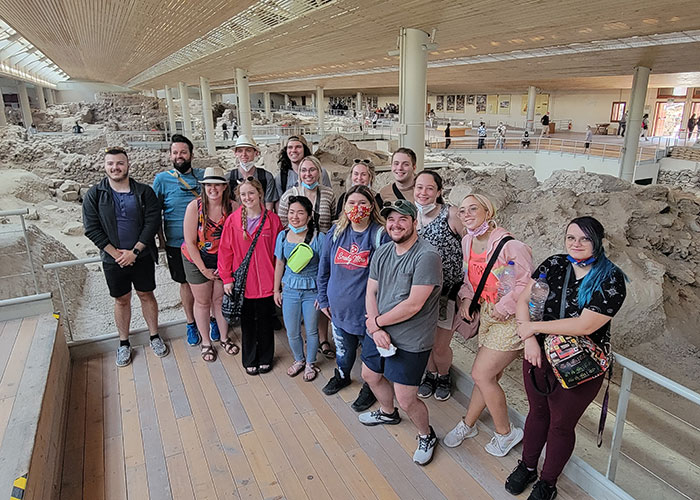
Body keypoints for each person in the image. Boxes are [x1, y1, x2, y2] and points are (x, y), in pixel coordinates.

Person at [505, 216, 627, 500]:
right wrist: (529, 341)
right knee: (537, 413)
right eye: (571, 238)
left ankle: (548, 481)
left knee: (561, 423)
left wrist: (534, 328)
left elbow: (585, 326)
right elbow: (524, 300)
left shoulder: (610, 277)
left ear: (599, 242)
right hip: (537, 355)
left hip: (579, 365)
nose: (577, 244)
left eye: (585, 239)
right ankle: (528, 465)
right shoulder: (555, 264)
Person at [444, 194, 533, 457]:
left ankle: (506, 433)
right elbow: (470, 279)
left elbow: (523, 284)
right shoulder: (468, 241)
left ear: (488, 211)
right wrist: (466, 299)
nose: (467, 214)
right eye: (462, 211)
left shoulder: (510, 246)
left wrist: (504, 308)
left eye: (474, 209)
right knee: (489, 377)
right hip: (487, 314)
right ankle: (468, 424)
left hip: (511, 318)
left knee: (481, 375)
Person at [360, 199, 443, 466]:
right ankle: (386, 412)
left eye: (402, 219)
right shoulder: (383, 251)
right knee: (370, 375)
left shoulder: (426, 256)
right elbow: (371, 290)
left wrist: (376, 324)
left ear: (415, 223)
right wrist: (374, 325)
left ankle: (426, 434)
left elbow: (413, 305)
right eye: (391, 220)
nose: (395, 225)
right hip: (379, 328)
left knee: (407, 398)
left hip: (410, 337)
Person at [82, 147, 166, 367]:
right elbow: (92, 228)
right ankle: (123, 343)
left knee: (146, 294)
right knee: (121, 299)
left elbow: (152, 222)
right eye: (111, 163)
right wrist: (118, 255)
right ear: (105, 166)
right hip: (114, 259)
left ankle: (155, 336)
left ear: (128, 165)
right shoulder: (95, 194)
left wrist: (135, 251)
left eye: (119, 163)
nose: (115, 167)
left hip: (142, 256)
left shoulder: (144, 192)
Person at [317, 185, 388, 411]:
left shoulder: (380, 235)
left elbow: (387, 276)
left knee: (370, 355)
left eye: (362, 203)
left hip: (368, 313)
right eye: (352, 203)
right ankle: (342, 374)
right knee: (343, 351)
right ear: (344, 207)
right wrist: (324, 299)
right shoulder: (335, 233)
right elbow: (324, 269)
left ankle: (370, 386)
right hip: (338, 310)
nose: (357, 208)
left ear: (371, 206)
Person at [218, 178, 283, 375]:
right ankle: (249, 358)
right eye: (243, 194)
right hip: (244, 283)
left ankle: (265, 357)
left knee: (265, 322)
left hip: (267, 281)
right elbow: (225, 251)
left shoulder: (273, 220)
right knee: (247, 324)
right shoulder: (233, 221)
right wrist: (227, 278)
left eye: (251, 193)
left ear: (260, 194)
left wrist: (278, 284)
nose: (247, 197)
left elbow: (279, 254)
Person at [153, 134, 212, 347]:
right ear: (170, 155)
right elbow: (155, 212)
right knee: (186, 284)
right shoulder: (161, 180)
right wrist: (160, 238)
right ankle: (190, 323)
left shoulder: (203, 176)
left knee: (210, 280)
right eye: (175, 152)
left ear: (191, 154)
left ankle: (211, 319)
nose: (179, 156)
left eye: (183, 152)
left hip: (206, 242)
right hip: (178, 243)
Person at [414, 171, 465, 401]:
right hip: (419, 291)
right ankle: (431, 374)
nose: (423, 193)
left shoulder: (451, 214)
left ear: (439, 191)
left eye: (429, 188)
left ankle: (443, 375)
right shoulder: (411, 215)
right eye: (419, 187)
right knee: (424, 339)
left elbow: (470, 245)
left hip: (447, 292)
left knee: (440, 345)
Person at [181, 166, 238, 362]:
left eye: (217, 185)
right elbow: (189, 241)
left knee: (219, 299)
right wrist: (203, 269)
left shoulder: (233, 207)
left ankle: (223, 337)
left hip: (223, 258)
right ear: (204, 187)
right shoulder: (194, 207)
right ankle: (206, 342)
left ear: (224, 187)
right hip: (197, 257)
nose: (212, 189)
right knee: (203, 301)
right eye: (208, 185)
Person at [273, 196, 324, 382]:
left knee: (311, 330)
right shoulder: (282, 236)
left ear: (309, 216)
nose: (295, 217)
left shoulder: (319, 237)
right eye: (291, 212)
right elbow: (279, 264)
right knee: (292, 330)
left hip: (313, 290)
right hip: (290, 290)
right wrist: (276, 290)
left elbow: (325, 268)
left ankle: (311, 362)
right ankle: (299, 359)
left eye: (300, 213)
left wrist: (323, 294)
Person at [278, 155, 336, 233]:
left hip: (323, 242)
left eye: (312, 170)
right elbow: (282, 224)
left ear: (319, 172)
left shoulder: (329, 194)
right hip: (296, 242)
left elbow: (333, 221)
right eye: (304, 170)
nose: (308, 174)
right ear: (299, 173)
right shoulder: (288, 196)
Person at [227, 135, 279, 211]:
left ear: (256, 153)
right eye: (240, 151)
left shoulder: (266, 177)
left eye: (248, 150)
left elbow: (269, 205)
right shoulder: (229, 178)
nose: (244, 154)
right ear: (235, 154)